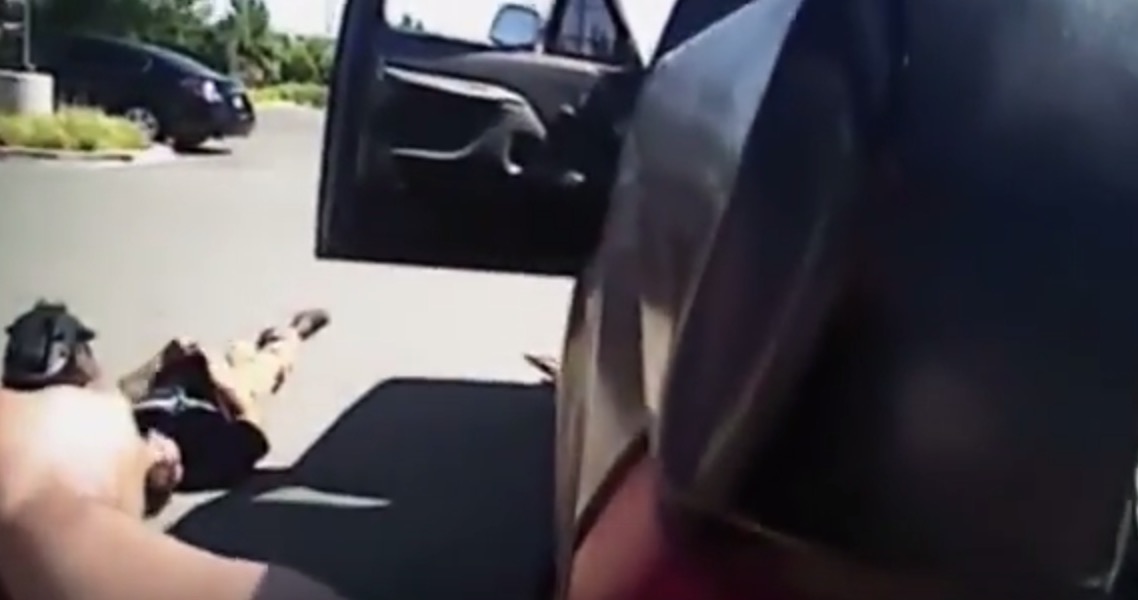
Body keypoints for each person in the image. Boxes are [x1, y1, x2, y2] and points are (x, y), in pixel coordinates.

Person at [119, 307, 330, 493]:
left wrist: (161, 359)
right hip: (227, 397)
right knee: (266, 366)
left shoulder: (125, 436)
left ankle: (249, 349)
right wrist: (226, 385)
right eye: (169, 460)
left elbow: (125, 390)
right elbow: (253, 418)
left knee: (234, 353)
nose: (154, 440)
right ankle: (291, 334)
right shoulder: (214, 460)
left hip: (178, 374)